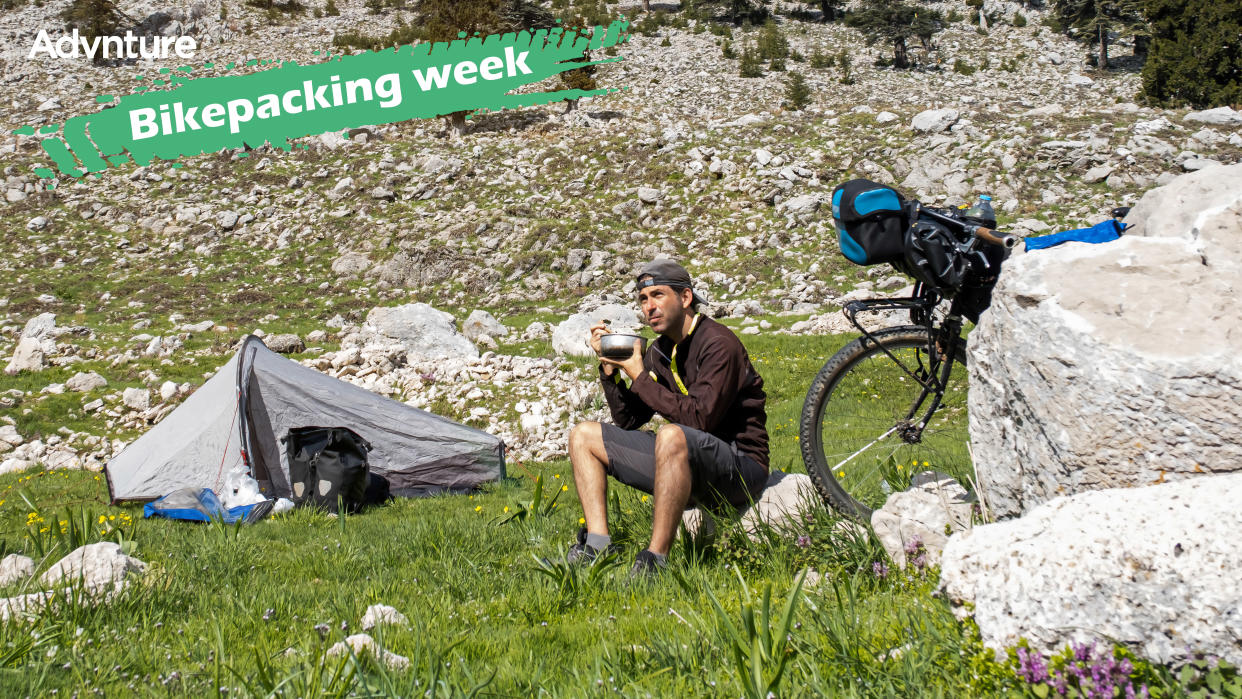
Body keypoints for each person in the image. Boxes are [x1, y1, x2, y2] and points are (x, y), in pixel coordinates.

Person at [566, 260, 770, 576]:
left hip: (741, 467)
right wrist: (610, 371)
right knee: (583, 435)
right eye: (644, 299)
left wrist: (640, 376)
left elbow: (699, 419)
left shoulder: (718, 344)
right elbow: (630, 419)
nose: (650, 307)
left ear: (685, 298)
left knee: (672, 434)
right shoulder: (660, 351)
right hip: (689, 463)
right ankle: (597, 545)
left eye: (658, 295)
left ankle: (655, 561)